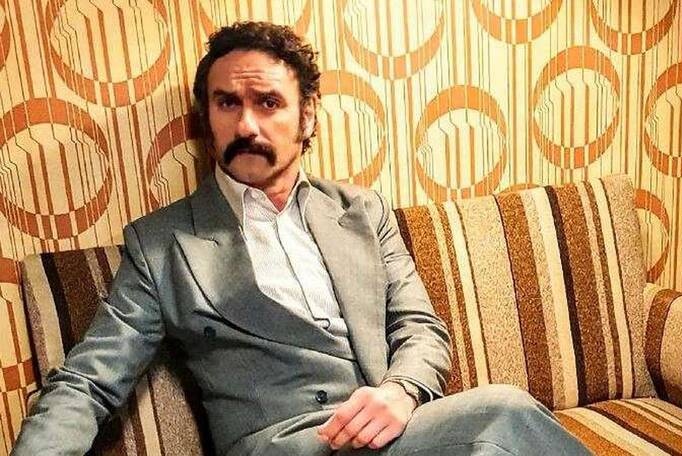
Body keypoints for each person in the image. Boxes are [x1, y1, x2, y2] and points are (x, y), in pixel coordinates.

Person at [12, 21, 591, 456]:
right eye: (227, 103)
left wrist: (400, 390)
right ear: (206, 118)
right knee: (502, 415)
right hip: (282, 445)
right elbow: (87, 381)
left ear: (308, 116)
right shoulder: (161, 244)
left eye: (268, 103)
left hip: (395, 434)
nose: (246, 125)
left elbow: (419, 326)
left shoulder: (362, 211)